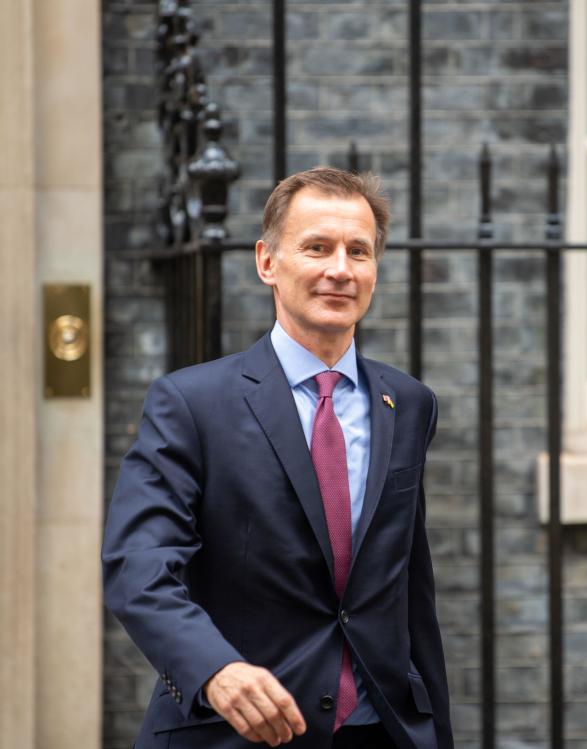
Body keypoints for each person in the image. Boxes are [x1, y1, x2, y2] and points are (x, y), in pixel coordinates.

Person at [102, 167, 452, 749]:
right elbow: (139, 566)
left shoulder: (409, 403)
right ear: (267, 262)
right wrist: (215, 670)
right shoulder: (191, 404)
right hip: (241, 733)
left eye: (358, 252)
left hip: (380, 731)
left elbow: (411, 589)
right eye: (317, 247)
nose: (340, 269)